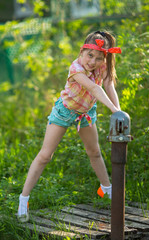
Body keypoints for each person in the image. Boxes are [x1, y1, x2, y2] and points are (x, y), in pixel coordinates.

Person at [17, 30, 122, 222]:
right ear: (81, 52)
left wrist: (119, 110)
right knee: (45, 155)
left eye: (99, 58)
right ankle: (24, 200)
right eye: (90, 55)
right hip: (65, 111)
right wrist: (114, 111)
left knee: (94, 152)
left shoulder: (103, 68)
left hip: (86, 114)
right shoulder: (75, 69)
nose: (93, 62)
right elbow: (94, 88)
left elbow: (108, 86)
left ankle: (105, 189)